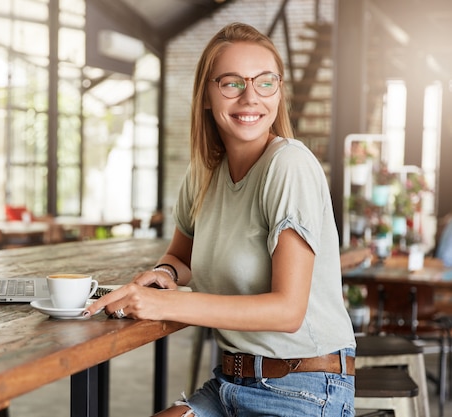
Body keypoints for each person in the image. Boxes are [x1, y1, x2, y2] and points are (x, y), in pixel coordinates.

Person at [84, 22, 356, 417]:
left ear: (278, 93)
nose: (250, 98)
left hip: (305, 388)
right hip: (231, 384)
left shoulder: (289, 165)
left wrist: (164, 305)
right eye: (231, 83)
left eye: (265, 83)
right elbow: (181, 259)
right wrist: (165, 275)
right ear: (207, 95)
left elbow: (287, 311)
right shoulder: (204, 174)